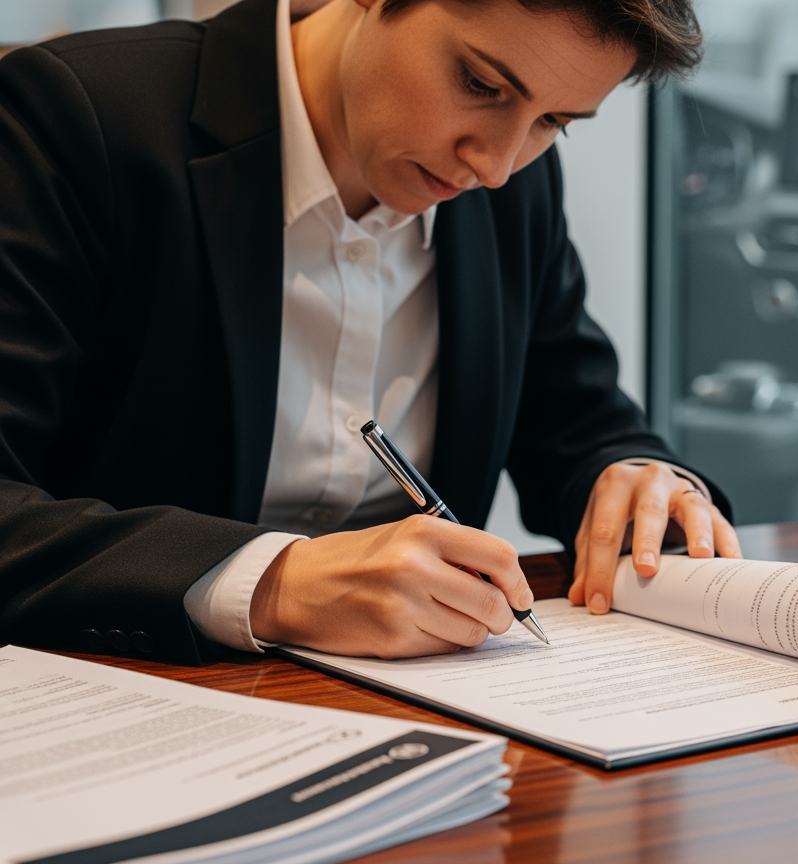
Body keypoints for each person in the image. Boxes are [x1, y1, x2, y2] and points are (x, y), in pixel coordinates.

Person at [0, 0, 740, 666]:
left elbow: (580, 426)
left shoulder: (516, 191)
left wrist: (639, 479)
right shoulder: (74, 118)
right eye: (482, 85)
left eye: (554, 123)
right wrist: (274, 582)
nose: (496, 165)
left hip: (431, 729)